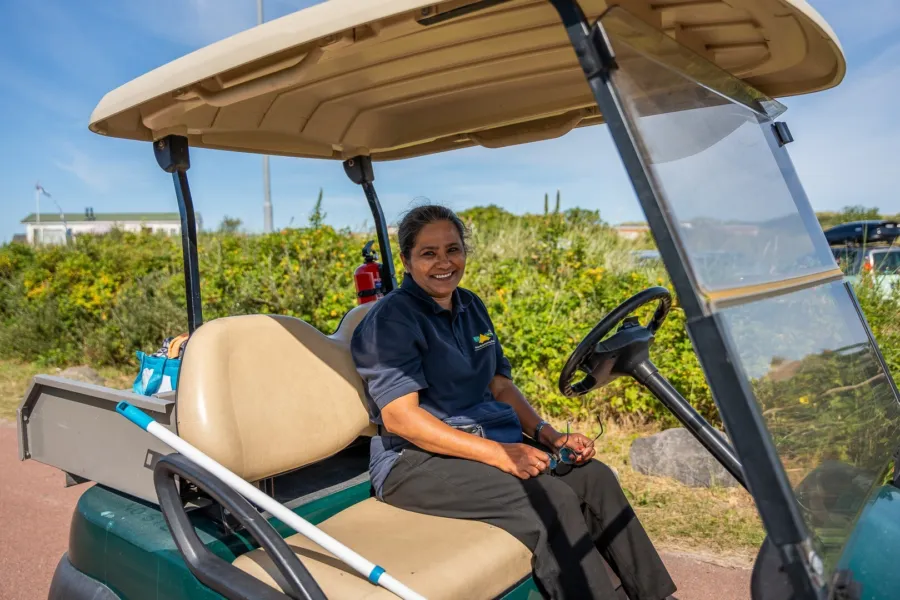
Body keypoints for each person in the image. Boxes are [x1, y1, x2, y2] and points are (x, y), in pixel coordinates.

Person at [350, 204, 677, 600]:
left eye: (452, 250)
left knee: (596, 479)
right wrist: (500, 453)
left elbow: (500, 387)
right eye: (428, 253)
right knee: (551, 500)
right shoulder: (390, 320)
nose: (444, 263)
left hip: (483, 441)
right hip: (413, 461)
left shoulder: (469, 306)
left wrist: (551, 436)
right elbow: (402, 419)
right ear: (405, 260)